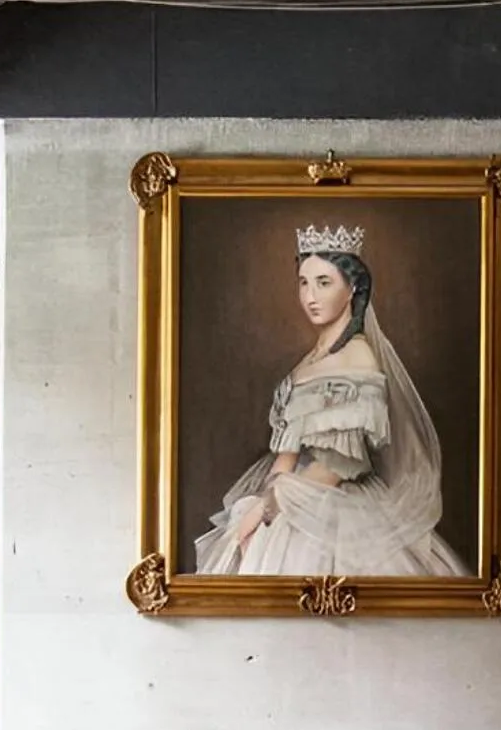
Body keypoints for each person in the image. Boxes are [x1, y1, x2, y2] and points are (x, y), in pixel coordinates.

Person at [192, 223, 468, 577]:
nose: (311, 295)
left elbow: (337, 467)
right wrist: (258, 508)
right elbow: (286, 457)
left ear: (352, 287)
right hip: (288, 496)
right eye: (304, 282)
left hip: (332, 507)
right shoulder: (308, 361)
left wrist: (266, 509)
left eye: (324, 282)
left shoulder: (358, 359)